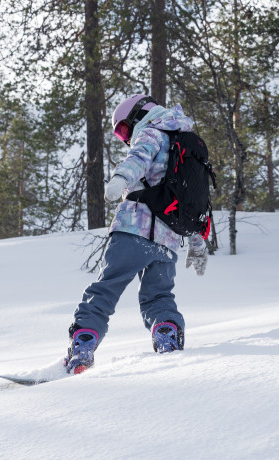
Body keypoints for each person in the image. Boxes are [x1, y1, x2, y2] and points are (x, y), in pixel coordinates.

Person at [64, 94, 208, 375]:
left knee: (106, 289)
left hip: (133, 229)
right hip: (166, 240)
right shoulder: (185, 143)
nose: (126, 138)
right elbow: (193, 199)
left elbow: (138, 158)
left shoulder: (152, 133)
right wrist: (196, 240)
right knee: (159, 297)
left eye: (124, 130)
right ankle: (167, 337)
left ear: (139, 115)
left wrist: (120, 179)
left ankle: (82, 349)